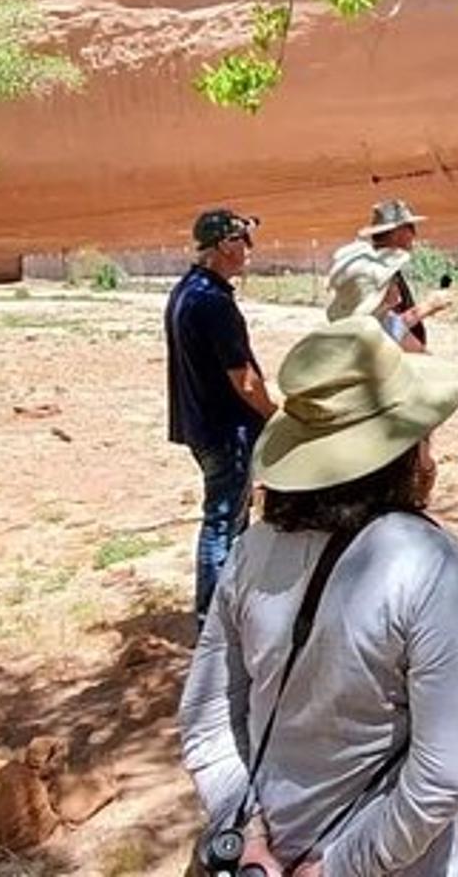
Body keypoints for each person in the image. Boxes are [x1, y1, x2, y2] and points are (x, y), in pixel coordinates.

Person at [180, 317, 458, 877]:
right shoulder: (427, 563)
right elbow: (443, 773)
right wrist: (340, 866)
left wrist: (245, 832)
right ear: (402, 451)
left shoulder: (253, 550)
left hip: (274, 850)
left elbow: (207, 717)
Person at [167, 208, 278, 619]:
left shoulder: (186, 290)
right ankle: (212, 621)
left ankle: (231, 609)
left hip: (201, 427)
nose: (250, 249)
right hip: (228, 432)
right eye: (244, 241)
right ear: (226, 246)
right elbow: (245, 381)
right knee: (223, 524)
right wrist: (275, 416)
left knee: (232, 518)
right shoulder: (215, 302)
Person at [359, 199, 453, 349]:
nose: (414, 233)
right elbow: (385, 329)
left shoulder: (382, 266)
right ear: (397, 233)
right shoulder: (377, 272)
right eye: (410, 227)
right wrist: (429, 306)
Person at [326, 242, 423, 353]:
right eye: (394, 280)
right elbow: (422, 355)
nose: (398, 284)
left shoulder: (387, 321)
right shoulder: (384, 330)